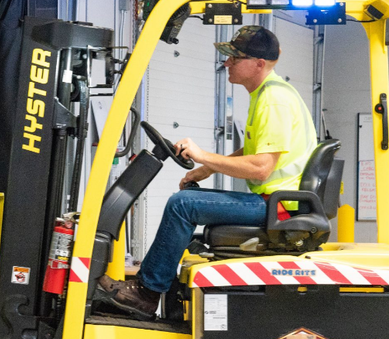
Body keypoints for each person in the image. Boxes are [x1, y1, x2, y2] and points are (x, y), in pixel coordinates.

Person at [98, 25, 317, 319]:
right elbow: (255, 149)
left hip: (279, 206)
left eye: (235, 58)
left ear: (259, 64)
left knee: (182, 205)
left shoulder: (273, 99)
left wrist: (202, 154)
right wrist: (205, 168)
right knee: (187, 199)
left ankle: (147, 294)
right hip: (276, 202)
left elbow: (261, 167)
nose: (227, 63)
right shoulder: (268, 93)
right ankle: (155, 285)